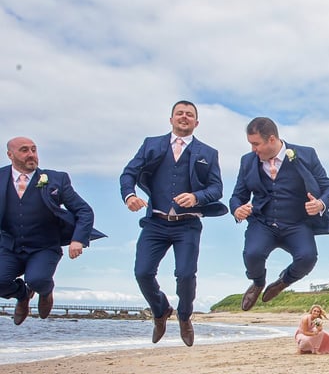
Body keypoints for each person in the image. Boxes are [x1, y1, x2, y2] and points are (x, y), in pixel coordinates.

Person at [120, 100, 227, 346]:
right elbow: (128, 173)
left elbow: (216, 189)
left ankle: (184, 316)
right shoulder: (151, 144)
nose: (184, 117)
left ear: (196, 123)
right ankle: (160, 311)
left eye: (189, 114)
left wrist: (196, 197)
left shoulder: (208, 153)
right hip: (155, 222)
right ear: (171, 119)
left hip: (187, 224)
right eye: (180, 113)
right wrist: (130, 196)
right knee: (143, 272)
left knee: (186, 274)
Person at [231, 117, 329, 312]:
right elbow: (237, 196)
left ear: (271, 139)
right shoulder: (247, 161)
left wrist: (320, 204)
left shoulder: (306, 155)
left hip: (297, 223)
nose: (253, 149)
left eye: (256, 144)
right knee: (252, 254)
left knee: (308, 258)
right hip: (263, 223)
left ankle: (283, 282)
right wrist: (237, 209)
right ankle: (258, 282)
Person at [1, 137, 105, 325]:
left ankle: (46, 292)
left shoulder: (56, 179)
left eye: (34, 150)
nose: (31, 154)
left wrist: (78, 239)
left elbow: (84, 210)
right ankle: (23, 295)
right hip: (9, 247)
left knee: (38, 279)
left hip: (44, 246)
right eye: (24, 150)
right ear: (10, 155)